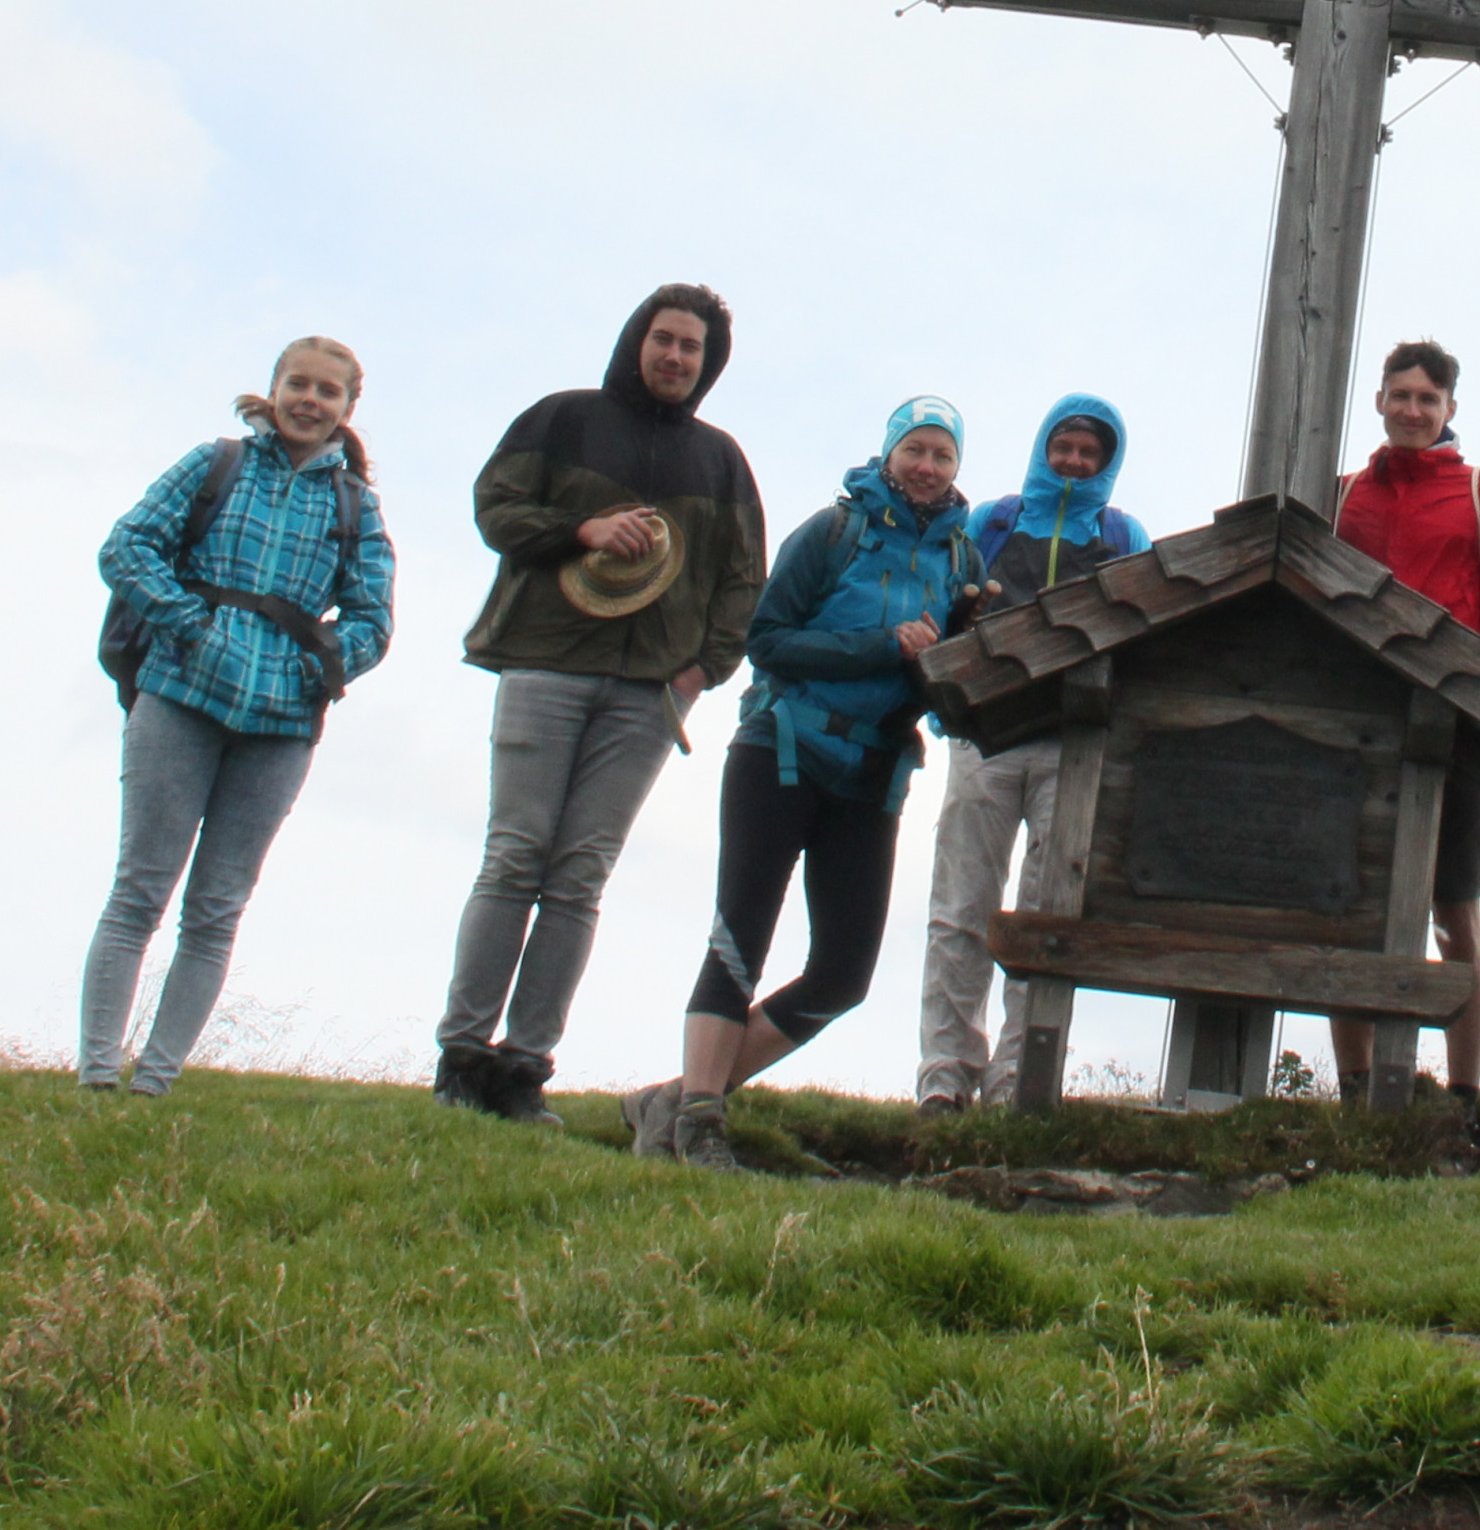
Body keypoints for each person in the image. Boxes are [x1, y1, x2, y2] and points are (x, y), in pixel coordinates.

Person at [430, 286, 762, 1125]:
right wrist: (581, 530)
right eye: (664, 339)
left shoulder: (721, 460)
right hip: (544, 663)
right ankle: (462, 1055)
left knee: (579, 875)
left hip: (648, 693)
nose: (676, 357)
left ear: (707, 363)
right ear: (636, 340)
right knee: (515, 855)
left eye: (692, 347)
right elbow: (495, 508)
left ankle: (523, 1068)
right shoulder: (562, 419)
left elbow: (742, 580)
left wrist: (702, 670)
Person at [644, 397, 981, 1172]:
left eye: (943, 455)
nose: (927, 467)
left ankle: (676, 1098)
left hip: (874, 773)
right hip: (781, 748)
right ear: (890, 453)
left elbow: (946, 676)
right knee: (740, 937)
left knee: (845, 972)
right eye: (916, 450)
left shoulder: (963, 560)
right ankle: (700, 1122)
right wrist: (880, 645)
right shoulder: (835, 531)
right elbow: (767, 638)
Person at [82, 337, 393, 1095]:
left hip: (280, 728)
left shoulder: (356, 504)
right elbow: (126, 546)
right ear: (274, 388)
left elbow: (372, 619)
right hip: (178, 695)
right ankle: (96, 1073)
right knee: (139, 889)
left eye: (327, 390)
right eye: (298, 383)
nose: (309, 400)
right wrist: (188, 622)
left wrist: (312, 669)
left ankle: (154, 1079)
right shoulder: (213, 464)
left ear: (348, 408)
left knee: (217, 906)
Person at [914, 394, 1145, 1113]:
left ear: (1107, 461)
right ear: (1044, 445)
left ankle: (1020, 1078)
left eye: (1090, 451)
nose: (1074, 460)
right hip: (984, 736)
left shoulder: (1122, 532)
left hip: (1072, 746)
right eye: (1064, 445)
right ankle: (945, 1077)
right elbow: (944, 605)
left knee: (1047, 916)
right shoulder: (993, 519)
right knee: (962, 907)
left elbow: (1144, 633)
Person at [1327, 339, 1480, 1106]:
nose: (1414, 410)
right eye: (1401, 395)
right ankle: (1356, 1090)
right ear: (1379, 401)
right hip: (1353, 733)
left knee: (1456, 914)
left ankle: (1461, 1098)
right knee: (1351, 913)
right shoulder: (1342, 493)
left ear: (1451, 410)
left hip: (1456, 736)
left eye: (1429, 399)